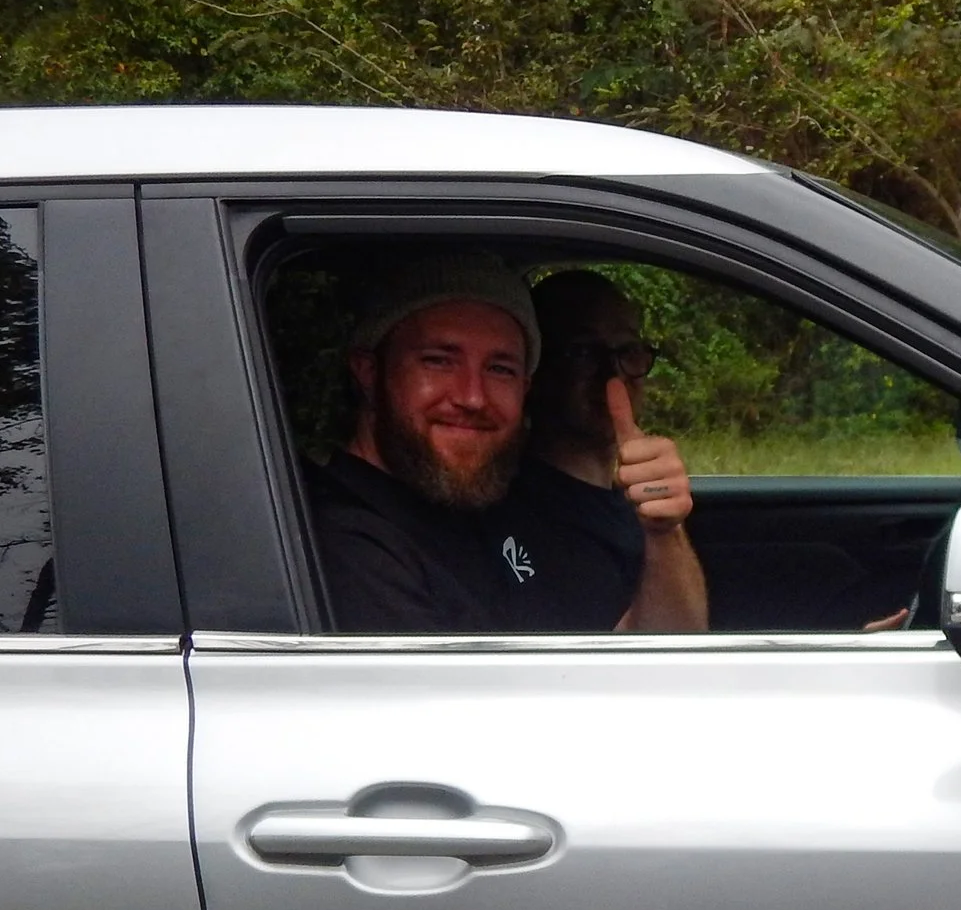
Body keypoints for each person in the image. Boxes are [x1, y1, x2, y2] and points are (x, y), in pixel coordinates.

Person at [303, 253, 700, 633]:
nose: (473, 397)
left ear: (526, 388)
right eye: (439, 360)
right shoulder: (347, 546)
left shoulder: (469, 503)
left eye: (499, 369)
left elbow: (644, 651)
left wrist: (662, 534)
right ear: (369, 373)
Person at [518, 270, 709, 632]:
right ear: (537, 369)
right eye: (582, 352)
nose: (612, 374)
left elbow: (685, 651)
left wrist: (664, 530)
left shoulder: (628, 499)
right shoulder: (519, 513)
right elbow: (649, 661)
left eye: (628, 350)